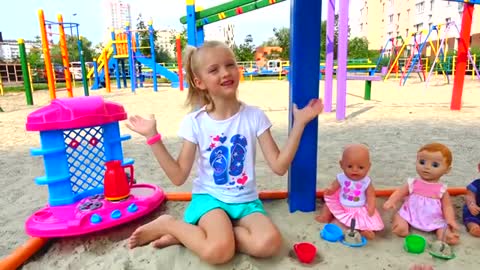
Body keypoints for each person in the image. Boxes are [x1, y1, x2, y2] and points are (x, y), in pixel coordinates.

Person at [126, 40, 324, 265]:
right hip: (211, 199)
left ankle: (192, 236)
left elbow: (279, 167)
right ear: (199, 82)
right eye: (214, 69)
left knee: (269, 243)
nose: (225, 72)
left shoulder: (254, 116)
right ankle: (169, 224)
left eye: (230, 65)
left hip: (246, 201)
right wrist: (153, 137)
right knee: (219, 252)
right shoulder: (195, 122)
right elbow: (178, 176)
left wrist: (299, 123)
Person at [383, 143, 460, 245]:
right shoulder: (413, 183)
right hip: (410, 213)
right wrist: (391, 200)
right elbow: (399, 192)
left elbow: (447, 206)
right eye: (422, 162)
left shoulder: (442, 189)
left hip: (433, 218)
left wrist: (450, 219)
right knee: (401, 225)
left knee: (442, 229)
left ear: (447, 170)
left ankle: (447, 236)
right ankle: (400, 225)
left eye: (435, 165)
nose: (427, 167)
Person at [315, 144, 384, 239]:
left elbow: (370, 196)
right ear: (342, 165)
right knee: (328, 203)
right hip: (342, 204)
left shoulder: (366, 181)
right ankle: (325, 217)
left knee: (363, 220)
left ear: (368, 167)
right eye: (350, 166)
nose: (354, 170)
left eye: (360, 167)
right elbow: (334, 186)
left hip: (358, 207)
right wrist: (330, 191)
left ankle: (365, 231)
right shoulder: (341, 177)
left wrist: (371, 207)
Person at [463, 162, 480, 237]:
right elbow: (469, 196)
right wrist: (472, 205)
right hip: (476, 210)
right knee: (470, 216)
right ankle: (474, 227)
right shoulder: (476, 184)